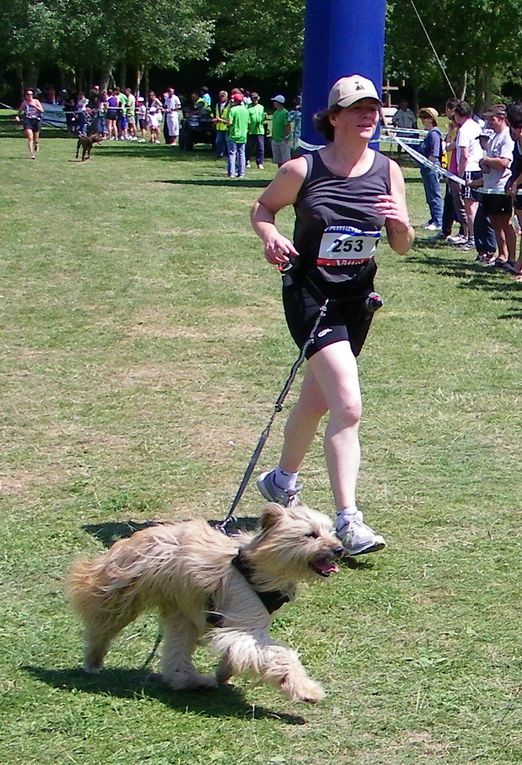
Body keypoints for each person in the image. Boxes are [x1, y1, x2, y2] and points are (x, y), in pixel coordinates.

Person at [250, 75, 414, 555]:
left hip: (356, 300)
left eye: (374, 108)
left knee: (317, 401)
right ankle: (349, 520)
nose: (369, 116)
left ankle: (282, 481)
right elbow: (262, 208)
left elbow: (401, 246)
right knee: (348, 404)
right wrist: (271, 237)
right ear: (334, 117)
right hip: (309, 295)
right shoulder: (302, 169)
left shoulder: (389, 170)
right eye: (358, 108)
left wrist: (400, 224)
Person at [477, 104, 516, 270]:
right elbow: (492, 159)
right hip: (490, 187)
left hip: (501, 187)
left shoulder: (507, 137)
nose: (489, 121)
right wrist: (484, 164)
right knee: (495, 223)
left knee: (505, 222)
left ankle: (512, 258)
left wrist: (486, 161)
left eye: (492, 118)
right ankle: (502, 255)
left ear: (501, 119)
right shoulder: (493, 137)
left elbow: (504, 162)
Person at [454, 101, 483, 251]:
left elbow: (464, 156)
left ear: (459, 115)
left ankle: (472, 238)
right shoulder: (477, 126)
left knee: (470, 207)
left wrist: (460, 176)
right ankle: (474, 237)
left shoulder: (464, 130)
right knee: (476, 206)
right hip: (479, 168)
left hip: (470, 170)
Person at [417, 108, 444, 231]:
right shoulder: (428, 133)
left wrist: (430, 165)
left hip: (431, 168)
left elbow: (435, 153)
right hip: (426, 168)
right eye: (422, 117)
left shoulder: (434, 134)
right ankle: (433, 219)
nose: (423, 120)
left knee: (434, 195)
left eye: (425, 117)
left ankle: (438, 221)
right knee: (429, 196)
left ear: (431, 119)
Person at [14, 88, 44, 159]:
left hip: (36, 120)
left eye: (31, 94)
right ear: (26, 95)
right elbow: (19, 111)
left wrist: (35, 106)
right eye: (28, 94)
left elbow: (42, 110)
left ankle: (37, 144)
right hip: (28, 120)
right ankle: (32, 154)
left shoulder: (36, 101)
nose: (30, 96)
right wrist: (17, 116)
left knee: (36, 139)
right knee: (30, 138)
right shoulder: (24, 103)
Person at [226, 92, 249, 178]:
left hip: (233, 134)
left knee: (232, 154)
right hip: (243, 135)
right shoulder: (246, 110)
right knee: (242, 154)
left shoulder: (233, 110)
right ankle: (241, 173)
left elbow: (229, 123)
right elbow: (248, 122)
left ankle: (231, 173)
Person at [270, 95, 291, 166]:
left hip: (283, 140)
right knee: (278, 160)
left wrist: (287, 136)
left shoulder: (285, 113)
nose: (274, 103)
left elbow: (287, 126)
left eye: (275, 101)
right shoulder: (275, 113)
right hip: (275, 139)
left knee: (285, 161)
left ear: (279, 103)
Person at [246, 92, 266, 169]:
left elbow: (262, 117)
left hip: (259, 130)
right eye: (254, 98)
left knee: (261, 147)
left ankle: (260, 162)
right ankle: (247, 161)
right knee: (249, 147)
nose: (255, 100)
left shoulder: (261, 107)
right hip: (250, 130)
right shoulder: (248, 107)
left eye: (256, 98)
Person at [212, 90, 230, 159]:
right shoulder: (217, 104)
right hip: (219, 126)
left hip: (226, 126)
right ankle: (219, 154)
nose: (221, 97)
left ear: (226, 96)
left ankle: (227, 154)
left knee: (227, 142)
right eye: (220, 96)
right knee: (218, 142)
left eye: (223, 96)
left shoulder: (229, 105)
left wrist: (221, 120)